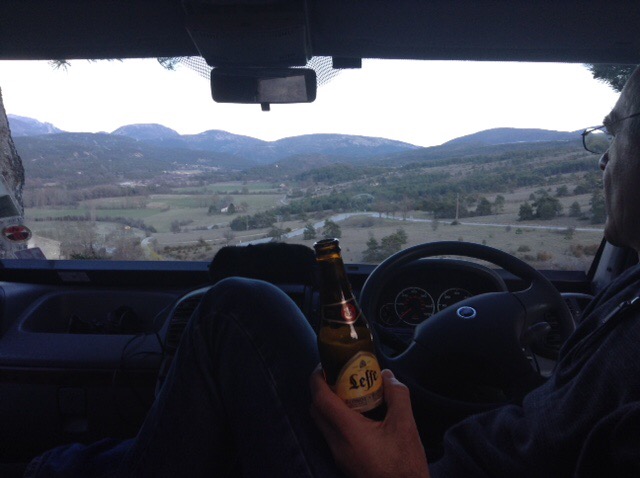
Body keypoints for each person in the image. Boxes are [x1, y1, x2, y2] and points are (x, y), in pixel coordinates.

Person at [25, 67, 640, 477]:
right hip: (439, 458)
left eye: (615, 131)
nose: (603, 157)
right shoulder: (629, 292)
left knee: (237, 308)